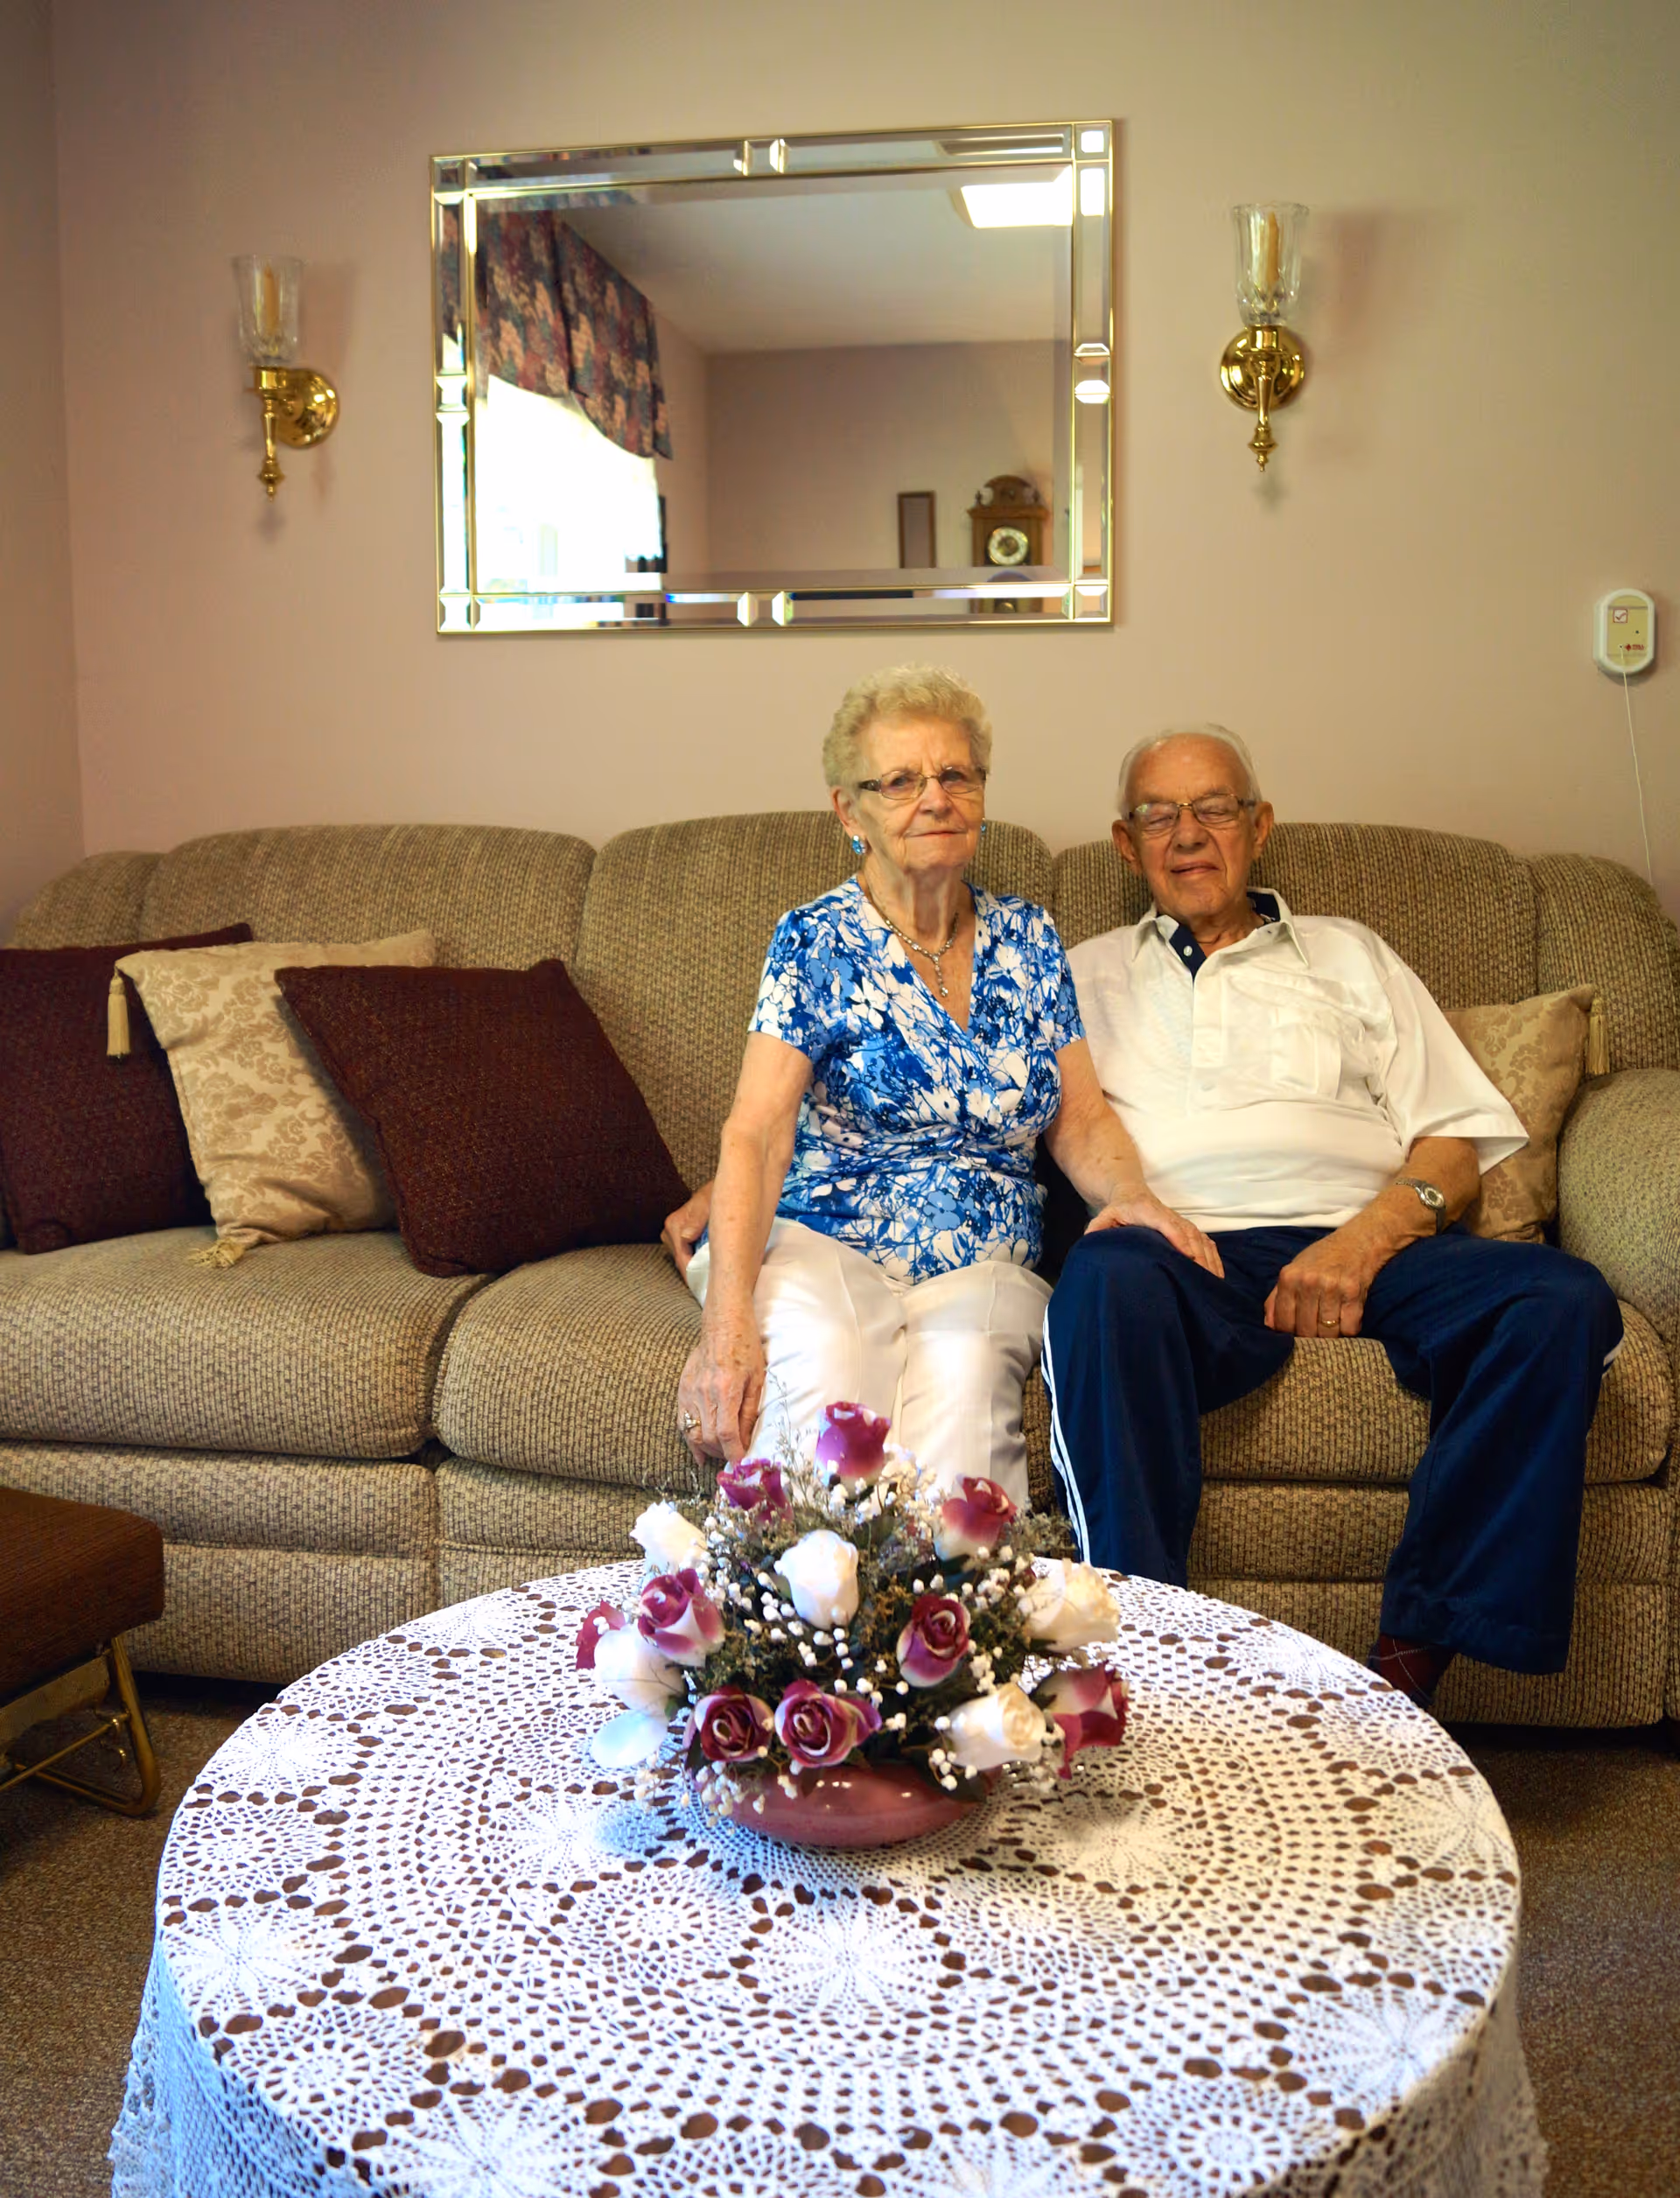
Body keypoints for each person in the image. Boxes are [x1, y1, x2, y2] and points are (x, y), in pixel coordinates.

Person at [1045, 724, 1623, 1708]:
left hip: (1366, 1235)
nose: (1188, 834)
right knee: (1104, 1278)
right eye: (1159, 814)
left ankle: (1407, 1670)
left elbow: (1451, 1143)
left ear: (1260, 826)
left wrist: (1362, 1241)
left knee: (1560, 1300)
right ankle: (1146, 1656)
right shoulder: (1074, 971)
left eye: (1215, 807)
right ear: (1124, 843)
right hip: (1182, 1252)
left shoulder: (1351, 954)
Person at [668, 665, 1218, 1504]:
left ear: (982, 795)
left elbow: (1079, 1119)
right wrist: (727, 1323)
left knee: (964, 1403)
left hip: (986, 1258)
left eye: (955, 775)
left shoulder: (1029, 938)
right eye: (900, 781)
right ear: (849, 812)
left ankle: (950, 1626)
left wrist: (1133, 1196)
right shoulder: (815, 940)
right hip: (825, 1240)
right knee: (828, 1382)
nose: (935, 798)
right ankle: (792, 1617)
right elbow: (758, 1129)